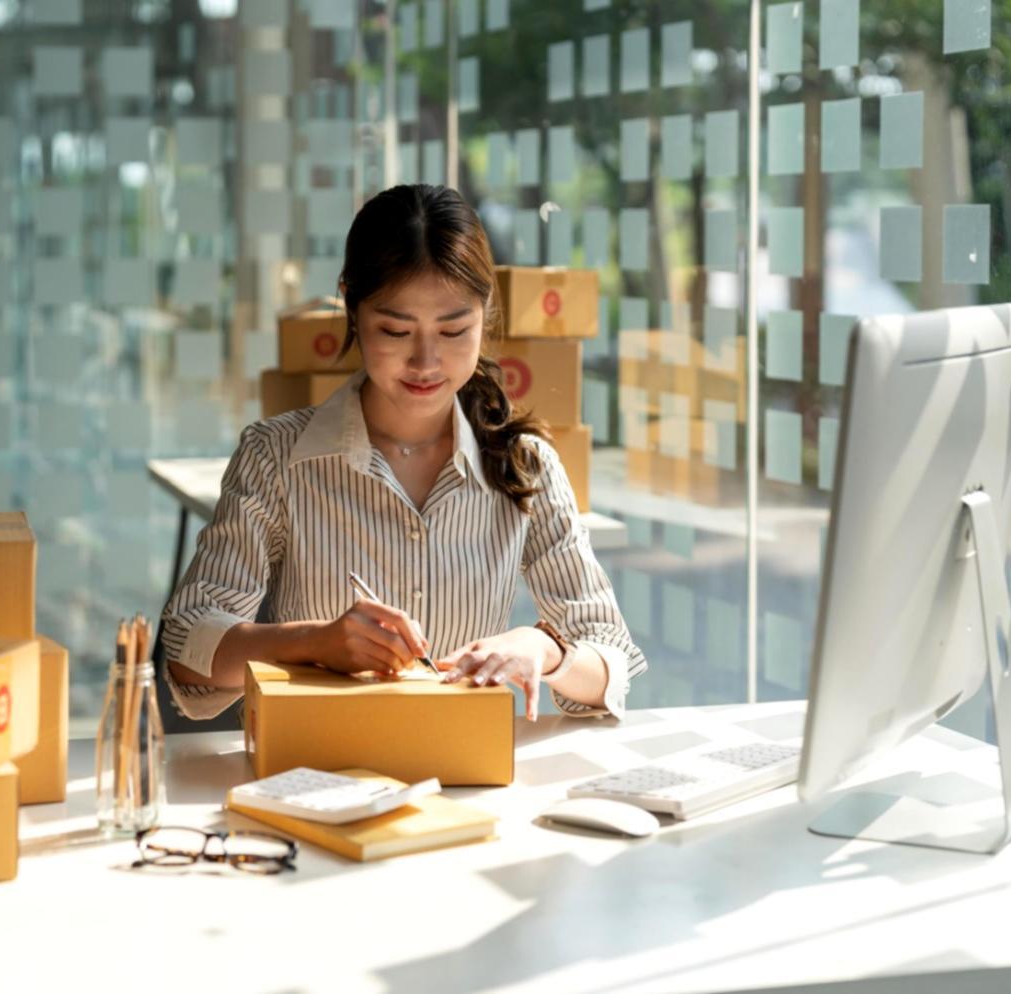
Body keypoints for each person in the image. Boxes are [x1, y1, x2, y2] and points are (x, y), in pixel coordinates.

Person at [160, 183, 646, 723]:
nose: (426, 361)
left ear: (485, 315)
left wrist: (545, 650)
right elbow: (186, 653)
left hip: (470, 779)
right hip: (321, 780)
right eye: (395, 330)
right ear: (350, 305)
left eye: (454, 330)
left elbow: (611, 660)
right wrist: (313, 642)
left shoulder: (524, 465)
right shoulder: (276, 457)